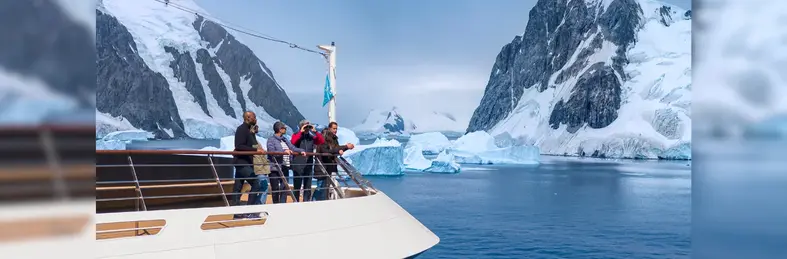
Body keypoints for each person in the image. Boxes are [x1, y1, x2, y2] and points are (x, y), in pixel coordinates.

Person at [232, 111, 263, 218]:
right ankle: (249, 209)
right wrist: (255, 150)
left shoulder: (249, 130)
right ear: (248, 118)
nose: (255, 119)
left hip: (245, 163)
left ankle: (237, 213)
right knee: (256, 183)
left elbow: (251, 144)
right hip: (242, 163)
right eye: (254, 117)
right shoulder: (241, 129)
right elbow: (239, 145)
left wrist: (254, 132)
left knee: (238, 187)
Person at [266, 121, 306, 204]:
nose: (286, 129)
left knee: (285, 188)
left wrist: (301, 151)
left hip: (285, 166)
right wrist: (284, 151)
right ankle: (276, 205)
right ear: (279, 129)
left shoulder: (284, 139)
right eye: (284, 128)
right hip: (275, 168)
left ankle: (283, 205)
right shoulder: (271, 140)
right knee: (275, 188)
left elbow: (292, 147)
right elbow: (271, 151)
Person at [314, 122, 355, 201]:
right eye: (334, 128)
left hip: (329, 167)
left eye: (336, 128)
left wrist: (342, 149)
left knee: (325, 188)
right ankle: (313, 202)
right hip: (322, 167)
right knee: (320, 187)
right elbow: (327, 150)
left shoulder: (334, 139)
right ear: (329, 128)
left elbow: (335, 148)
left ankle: (322, 203)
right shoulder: (324, 138)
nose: (335, 130)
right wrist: (345, 147)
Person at [290, 120, 325, 202]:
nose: (307, 128)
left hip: (308, 164)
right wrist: (300, 132)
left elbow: (321, 141)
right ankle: (296, 202)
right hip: (298, 164)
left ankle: (306, 202)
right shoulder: (296, 135)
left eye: (308, 126)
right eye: (305, 126)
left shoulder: (311, 137)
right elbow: (293, 142)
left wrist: (315, 131)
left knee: (308, 186)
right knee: (297, 186)